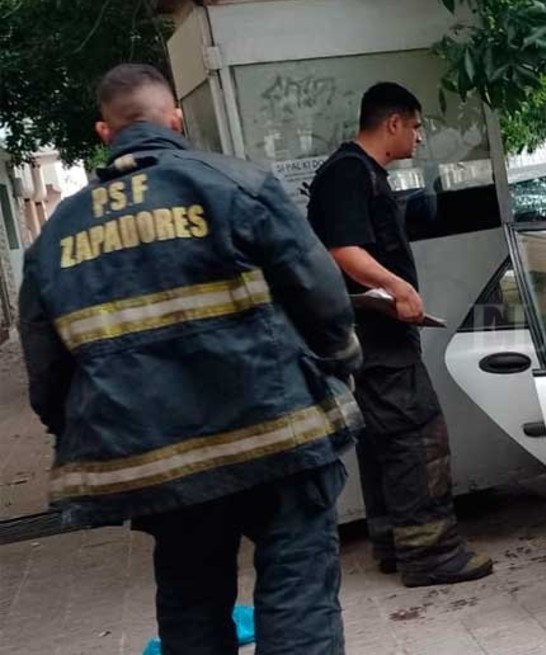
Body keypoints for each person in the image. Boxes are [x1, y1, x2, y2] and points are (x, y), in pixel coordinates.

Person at [18, 63, 363, 654]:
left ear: (106, 133)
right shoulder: (238, 184)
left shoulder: (56, 237)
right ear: (175, 119)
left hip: (159, 460)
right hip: (275, 435)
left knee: (192, 601)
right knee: (297, 591)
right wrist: (339, 359)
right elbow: (323, 297)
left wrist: (80, 431)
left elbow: (47, 370)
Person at [306, 82, 493, 587]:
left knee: (386, 439)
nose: (417, 136)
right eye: (414, 126)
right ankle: (430, 554)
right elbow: (343, 251)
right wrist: (398, 288)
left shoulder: (357, 174)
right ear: (392, 123)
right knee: (417, 435)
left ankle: (394, 541)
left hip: (368, 337)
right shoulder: (349, 173)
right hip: (377, 337)